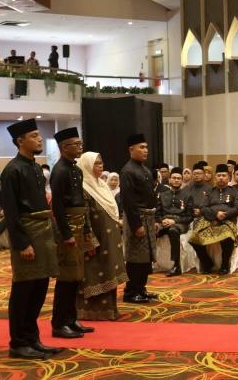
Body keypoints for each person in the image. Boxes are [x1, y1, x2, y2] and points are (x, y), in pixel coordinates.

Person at [1, 118, 61, 359]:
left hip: (42, 234)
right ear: (20, 141)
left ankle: (32, 339)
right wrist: (22, 243)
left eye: (38, 135)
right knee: (23, 291)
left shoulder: (36, 167)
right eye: (34, 136)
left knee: (39, 289)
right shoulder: (12, 170)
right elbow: (11, 212)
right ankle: (18, 342)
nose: (39, 139)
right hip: (26, 235)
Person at [50, 127, 94, 339]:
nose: (80, 147)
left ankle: (71, 318)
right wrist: (66, 233)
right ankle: (59, 323)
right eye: (76, 144)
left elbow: (81, 203)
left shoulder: (75, 169)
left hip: (79, 223)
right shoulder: (59, 171)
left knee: (76, 276)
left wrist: (85, 230)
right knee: (66, 277)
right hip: (67, 227)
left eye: (80, 143)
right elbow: (57, 206)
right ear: (64, 147)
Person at [76, 152, 127, 320]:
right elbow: (84, 217)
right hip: (96, 241)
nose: (100, 166)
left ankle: (110, 310)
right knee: (95, 273)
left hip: (109, 239)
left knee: (109, 271)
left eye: (101, 163)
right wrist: (89, 241)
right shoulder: (83, 188)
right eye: (96, 164)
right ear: (86, 166)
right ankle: (92, 312)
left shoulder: (102, 185)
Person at [120, 134, 159, 303]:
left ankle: (141, 289)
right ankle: (130, 292)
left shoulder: (145, 169)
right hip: (136, 219)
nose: (145, 150)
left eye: (146, 147)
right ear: (131, 149)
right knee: (136, 258)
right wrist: (136, 225)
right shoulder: (127, 171)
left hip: (148, 218)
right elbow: (128, 201)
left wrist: (154, 219)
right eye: (141, 147)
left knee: (146, 258)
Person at [188, 164, 238, 275]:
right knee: (193, 238)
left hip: (227, 222)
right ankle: (207, 263)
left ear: (228, 177)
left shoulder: (234, 191)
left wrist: (225, 214)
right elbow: (203, 207)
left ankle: (225, 265)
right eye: (219, 175)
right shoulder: (210, 192)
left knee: (227, 237)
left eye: (223, 175)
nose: (221, 178)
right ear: (215, 177)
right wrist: (215, 214)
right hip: (209, 221)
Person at [155, 167, 193, 276]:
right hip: (164, 223)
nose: (176, 180)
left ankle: (176, 266)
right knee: (151, 230)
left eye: (178, 178)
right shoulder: (163, 195)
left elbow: (189, 216)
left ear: (181, 181)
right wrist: (162, 220)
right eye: (174, 178)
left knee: (173, 230)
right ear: (170, 180)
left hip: (180, 224)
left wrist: (174, 221)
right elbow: (158, 213)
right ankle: (148, 262)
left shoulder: (187, 196)